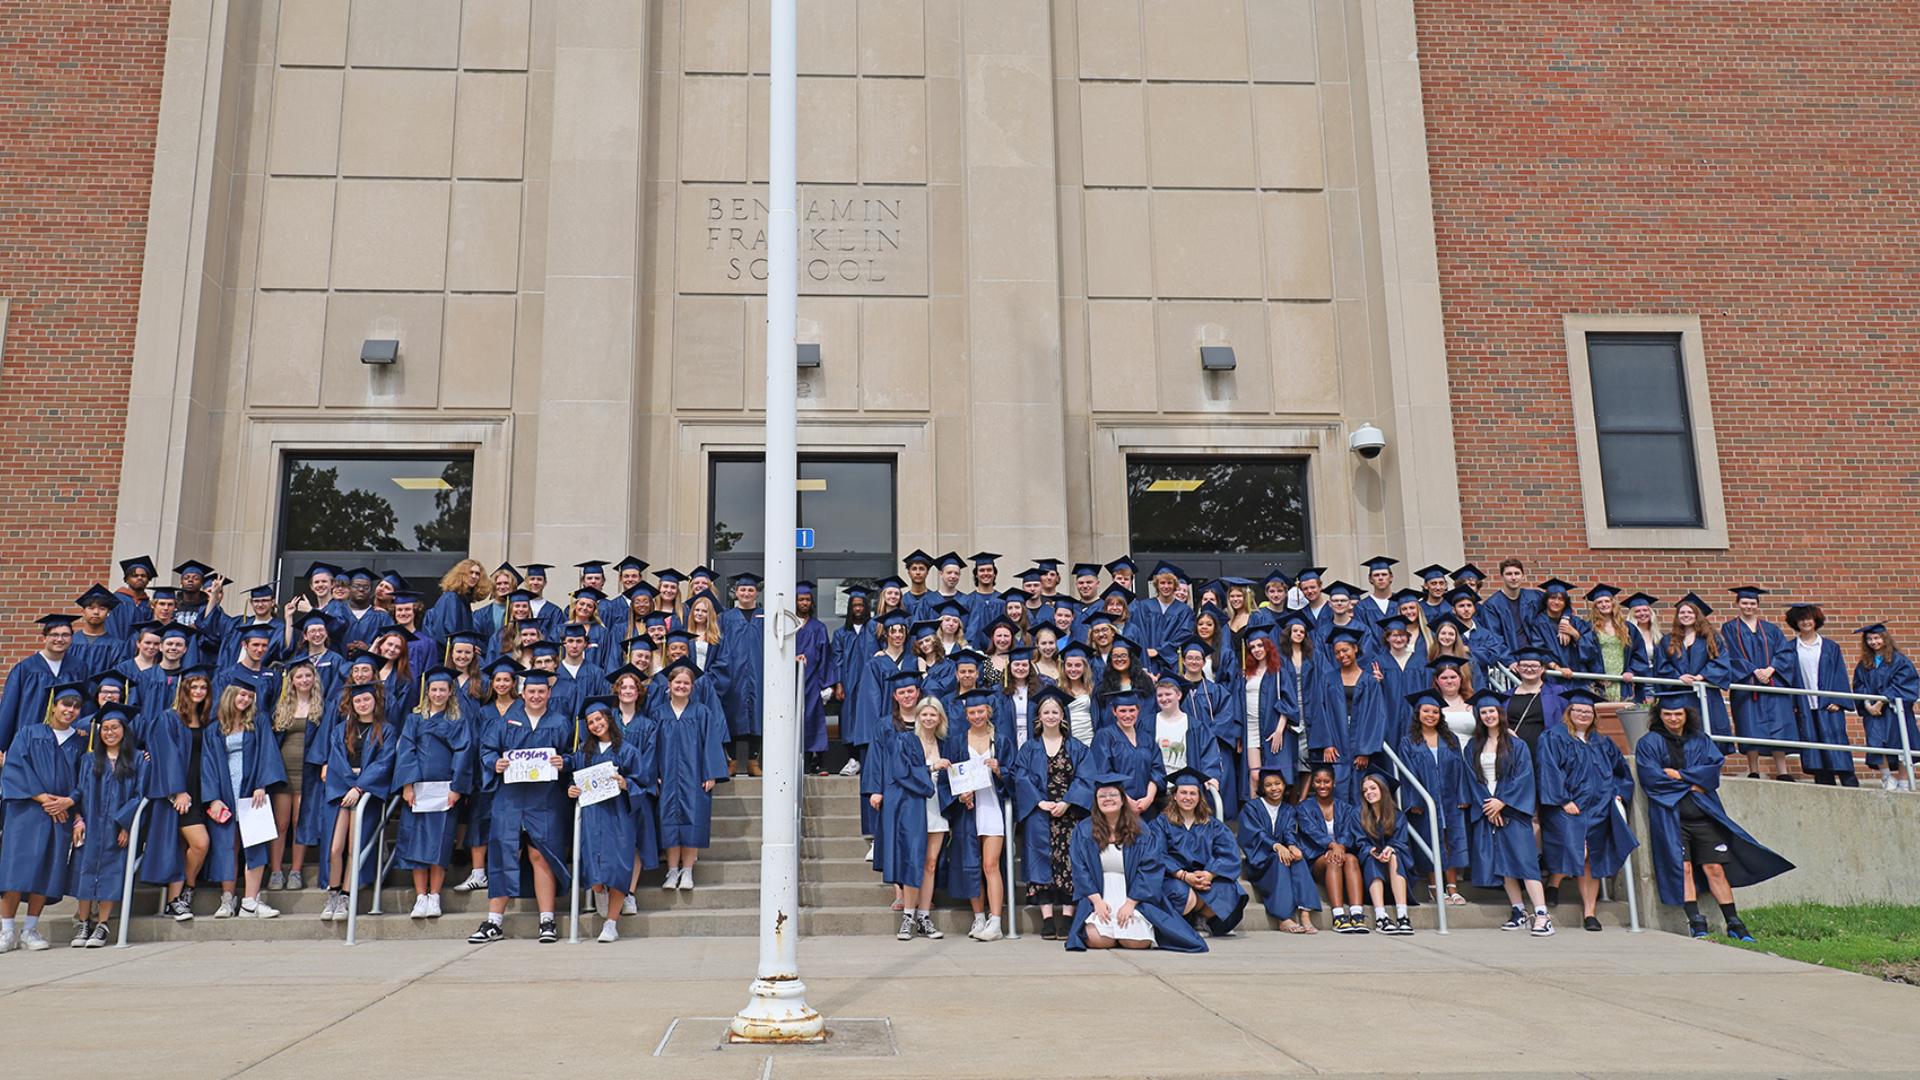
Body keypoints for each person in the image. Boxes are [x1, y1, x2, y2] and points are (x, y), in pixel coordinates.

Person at [1635, 690, 1794, 941]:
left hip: (1704, 816)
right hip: (1671, 818)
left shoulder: (1700, 740)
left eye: (1678, 714)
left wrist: (1679, 775)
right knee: (1683, 868)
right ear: (1659, 715)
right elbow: (1652, 780)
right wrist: (1692, 781)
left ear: (1687, 714)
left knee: (1715, 868)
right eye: (1668, 714)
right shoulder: (1648, 743)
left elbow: (1711, 774)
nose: (1673, 718)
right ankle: (1696, 922)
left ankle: (1734, 922)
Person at [470, 669, 570, 943]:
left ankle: (547, 921)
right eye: (531, 691)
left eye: (541, 691)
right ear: (523, 693)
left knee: (542, 856)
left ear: (549, 693)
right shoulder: (506, 721)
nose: (536, 695)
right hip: (510, 799)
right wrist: (495, 763)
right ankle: (494, 922)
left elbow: (572, 754)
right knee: (504, 854)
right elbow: (487, 750)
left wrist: (566, 762)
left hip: (546, 800)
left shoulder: (560, 722)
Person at [1064, 770, 1205, 953]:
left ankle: (1130, 928)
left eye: (1113, 794)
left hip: (1133, 895)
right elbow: (1079, 868)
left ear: (1123, 799)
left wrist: (1130, 903)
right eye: (1102, 796)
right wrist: (1097, 901)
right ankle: (1109, 931)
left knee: (1136, 943)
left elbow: (1150, 868)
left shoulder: (1141, 830)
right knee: (1097, 941)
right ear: (1096, 801)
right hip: (1099, 894)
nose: (1108, 799)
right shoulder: (1084, 830)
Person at [1537, 688, 1638, 930]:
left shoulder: (1603, 742)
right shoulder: (1554, 737)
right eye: (1578, 711)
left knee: (1591, 858)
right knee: (1576, 852)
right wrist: (1562, 800)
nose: (1583, 715)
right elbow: (1549, 770)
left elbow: (1620, 772)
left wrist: (1617, 795)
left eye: (1588, 712)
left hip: (1599, 808)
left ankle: (1590, 913)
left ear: (1594, 715)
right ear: (1568, 712)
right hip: (1567, 807)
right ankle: (1554, 880)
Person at [0, 681, 86, 953]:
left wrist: (69, 800)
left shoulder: (82, 742)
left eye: (75, 707)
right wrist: (43, 797)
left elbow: (86, 779)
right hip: (26, 812)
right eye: (65, 705)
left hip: (60, 815)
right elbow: (15, 766)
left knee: (47, 870)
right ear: (53, 706)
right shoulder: (29, 733)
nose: (70, 710)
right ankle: (7, 931)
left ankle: (30, 930)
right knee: (16, 870)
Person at [1463, 689, 1553, 936]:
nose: (1488, 715)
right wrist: (1488, 805)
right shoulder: (1473, 746)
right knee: (1502, 865)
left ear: (1500, 713)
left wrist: (1502, 801)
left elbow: (1524, 776)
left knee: (1524, 862)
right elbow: (1471, 778)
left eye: (1492, 711)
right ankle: (1518, 911)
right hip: (1488, 810)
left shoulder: (1517, 744)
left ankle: (1543, 914)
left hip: (1512, 810)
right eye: (1483, 712)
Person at [201, 677, 286, 919]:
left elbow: (267, 753)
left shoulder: (258, 722)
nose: (246, 699)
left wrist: (261, 784)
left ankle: (250, 901)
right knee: (227, 846)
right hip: (225, 792)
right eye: (241, 695)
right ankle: (227, 900)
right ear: (230, 696)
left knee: (255, 845)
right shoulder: (213, 729)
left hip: (252, 792)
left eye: (249, 696)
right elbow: (207, 765)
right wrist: (213, 798)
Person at [394, 667, 475, 920]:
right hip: (418, 790)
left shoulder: (457, 719)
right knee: (417, 843)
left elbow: (464, 752)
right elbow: (406, 750)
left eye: (443, 689)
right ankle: (420, 897)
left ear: (450, 692)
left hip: (444, 791)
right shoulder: (415, 718)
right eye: (434, 689)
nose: (438, 693)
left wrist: (456, 788)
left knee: (439, 843)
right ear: (427, 691)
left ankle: (435, 896)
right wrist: (407, 785)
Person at [568, 698, 648, 942]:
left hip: (618, 816)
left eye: (599, 719)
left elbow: (642, 784)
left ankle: (611, 924)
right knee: (593, 868)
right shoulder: (583, 752)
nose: (595, 725)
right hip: (592, 817)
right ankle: (599, 891)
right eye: (591, 722)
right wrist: (571, 789)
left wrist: (627, 784)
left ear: (608, 720)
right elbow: (576, 780)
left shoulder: (627, 750)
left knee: (618, 868)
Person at [1011, 688, 1089, 939]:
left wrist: (1068, 801)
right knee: (1040, 863)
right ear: (1039, 716)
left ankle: (1066, 918)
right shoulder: (1029, 747)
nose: (1051, 716)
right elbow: (1020, 776)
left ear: (1063, 715)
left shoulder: (1076, 747)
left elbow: (1086, 777)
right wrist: (1039, 802)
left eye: (1055, 711)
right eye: (1046, 712)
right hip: (1040, 814)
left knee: (1070, 864)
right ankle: (1047, 919)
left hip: (1069, 815)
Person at [66, 703, 147, 947]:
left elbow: (139, 795)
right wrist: (77, 818)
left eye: (115, 727)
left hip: (116, 828)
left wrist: (125, 826)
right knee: (85, 871)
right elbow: (79, 791)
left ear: (124, 730)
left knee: (112, 873)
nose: (109, 732)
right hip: (90, 825)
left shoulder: (138, 760)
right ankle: (83, 923)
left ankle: (102, 925)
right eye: (105, 728)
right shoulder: (89, 759)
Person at [650, 658, 729, 892]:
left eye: (686, 683)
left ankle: (688, 871)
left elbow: (711, 745)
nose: (682, 686)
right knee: (669, 822)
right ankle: (672, 870)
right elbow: (651, 747)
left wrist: (711, 773)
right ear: (669, 684)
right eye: (678, 682)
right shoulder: (658, 713)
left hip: (694, 777)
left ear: (692, 687)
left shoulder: (702, 713)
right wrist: (653, 772)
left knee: (692, 822)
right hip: (667, 777)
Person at [320, 683, 398, 922]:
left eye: (366, 699)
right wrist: (349, 786)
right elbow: (336, 760)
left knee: (355, 847)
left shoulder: (386, 730)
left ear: (375, 701)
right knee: (335, 848)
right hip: (342, 790)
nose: (362, 704)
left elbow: (384, 763)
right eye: (358, 701)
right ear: (351, 704)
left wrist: (360, 786)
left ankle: (345, 895)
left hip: (365, 792)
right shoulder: (341, 730)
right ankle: (332, 892)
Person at [943, 688, 1014, 941]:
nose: (976, 716)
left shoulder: (1002, 740)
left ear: (988, 711)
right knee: (972, 865)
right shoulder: (957, 741)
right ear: (966, 714)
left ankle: (995, 922)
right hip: (968, 811)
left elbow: (1014, 774)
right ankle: (979, 919)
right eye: (972, 712)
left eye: (980, 711)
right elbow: (949, 778)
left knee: (990, 864)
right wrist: (959, 795)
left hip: (993, 806)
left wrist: (1000, 770)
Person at [142, 669, 214, 920]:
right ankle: (184, 892)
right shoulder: (169, 718)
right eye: (193, 687)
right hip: (180, 795)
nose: (198, 692)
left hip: (200, 790)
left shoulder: (204, 720)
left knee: (184, 846)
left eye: (202, 688)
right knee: (200, 842)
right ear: (183, 690)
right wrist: (178, 791)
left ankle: (176, 898)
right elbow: (167, 754)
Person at [1395, 690, 1470, 906]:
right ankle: (1434, 888)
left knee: (1451, 841)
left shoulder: (1451, 739)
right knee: (1430, 840)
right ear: (1418, 714)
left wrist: (1463, 795)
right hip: (1424, 802)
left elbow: (1461, 769)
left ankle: (1453, 888)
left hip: (1450, 798)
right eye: (1426, 711)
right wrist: (1413, 801)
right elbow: (1407, 774)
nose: (1431, 715)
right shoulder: (1408, 742)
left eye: (1435, 712)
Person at [1154, 768, 1248, 937]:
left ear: (1199, 797)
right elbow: (1156, 854)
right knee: (1181, 893)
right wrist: (1183, 875)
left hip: (1204, 879)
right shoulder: (1161, 823)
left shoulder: (1213, 826)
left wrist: (1209, 874)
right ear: (1174, 795)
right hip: (1174, 877)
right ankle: (1184, 920)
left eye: (1193, 793)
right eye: (1183, 792)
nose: (1188, 797)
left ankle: (1201, 918)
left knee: (1230, 889)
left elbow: (1228, 854)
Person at [1722, 586, 1797, 780]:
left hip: (1772, 684)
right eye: (1745, 603)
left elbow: (1785, 652)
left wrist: (1771, 669)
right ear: (1737, 604)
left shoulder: (1771, 629)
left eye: (1752, 603)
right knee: (1749, 726)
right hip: (1747, 685)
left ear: (1758, 605)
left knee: (1777, 726)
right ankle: (1753, 771)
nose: (1749, 606)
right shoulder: (1730, 628)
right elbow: (1730, 654)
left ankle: (1783, 772)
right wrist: (1753, 670)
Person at [1234, 767, 1319, 933]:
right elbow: (1253, 834)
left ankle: (1305, 913)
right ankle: (1284, 918)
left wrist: (1292, 845)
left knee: (1298, 859)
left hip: (1281, 858)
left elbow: (1288, 830)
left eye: (1278, 783)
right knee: (1280, 860)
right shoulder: (1251, 808)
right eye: (1268, 785)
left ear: (1284, 785)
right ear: (1262, 788)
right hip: (1259, 863)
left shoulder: (1288, 809)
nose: (1274, 788)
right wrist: (1276, 846)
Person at [267, 657, 324, 890]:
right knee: (280, 824)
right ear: (291, 681)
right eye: (299, 676)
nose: (304, 680)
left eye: (308, 676)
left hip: (307, 772)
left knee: (300, 822)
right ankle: (277, 871)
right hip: (283, 771)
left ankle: (297, 872)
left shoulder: (321, 707)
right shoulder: (282, 706)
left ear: (314, 679)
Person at [1785, 604, 1855, 787]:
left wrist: (1838, 701)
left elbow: (1840, 674)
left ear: (1816, 621)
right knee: (1814, 747)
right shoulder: (1790, 648)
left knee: (1836, 745)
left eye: (1809, 618)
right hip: (1805, 706)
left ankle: (1850, 785)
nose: (1805, 622)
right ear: (1795, 623)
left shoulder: (1830, 647)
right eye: (1801, 619)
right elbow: (1787, 677)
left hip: (1829, 706)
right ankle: (1825, 787)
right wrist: (1793, 703)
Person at [1294, 764, 1365, 933]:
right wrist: (1332, 845)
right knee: (1333, 860)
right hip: (1316, 859)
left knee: (1352, 859)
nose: (1322, 785)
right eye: (1318, 782)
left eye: (1326, 781)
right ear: (1312, 784)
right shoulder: (1304, 808)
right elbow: (1311, 832)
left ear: (1334, 783)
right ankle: (1339, 916)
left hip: (1342, 855)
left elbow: (1349, 832)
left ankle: (1356, 914)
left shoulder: (1345, 808)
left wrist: (1340, 846)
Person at [1655, 593, 1734, 739]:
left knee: (1708, 729)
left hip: (1705, 693)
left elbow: (1721, 661)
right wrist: (1678, 676)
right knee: (1684, 733)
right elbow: (1661, 665)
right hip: (1679, 693)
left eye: (1690, 612)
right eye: (1682, 612)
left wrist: (1701, 676)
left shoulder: (1710, 638)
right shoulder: (1667, 640)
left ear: (1697, 615)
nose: (1686, 615)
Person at [0, 613, 77, 760]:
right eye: (54, 634)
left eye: (65, 635)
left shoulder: (78, 667)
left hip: (65, 742)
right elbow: (9, 706)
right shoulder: (25, 668)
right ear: (44, 638)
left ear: (71, 638)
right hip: (29, 740)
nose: (60, 639)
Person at [1853, 624, 1920, 790]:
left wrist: (1882, 701)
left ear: (1885, 638)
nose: (1873, 642)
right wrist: (1867, 704)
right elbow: (1859, 685)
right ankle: (1887, 778)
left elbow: (1905, 683)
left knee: (1902, 743)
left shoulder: (1899, 660)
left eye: (1876, 638)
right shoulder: (1864, 664)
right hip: (1874, 713)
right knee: (1876, 743)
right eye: (1869, 639)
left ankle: (1904, 782)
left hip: (1896, 711)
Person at [1356, 773, 1415, 935]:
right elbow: (1359, 841)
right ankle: (1380, 916)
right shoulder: (1359, 815)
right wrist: (1372, 851)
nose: (1369, 793)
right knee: (1371, 859)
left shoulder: (1398, 816)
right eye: (1365, 790)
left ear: (1383, 789)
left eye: (1373, 788)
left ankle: (1403, 916)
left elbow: (1401, 842)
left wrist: (1390, 848)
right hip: (1371, 872)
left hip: (1394, 869)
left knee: (1395, 855)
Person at [1088, 691, 1164, 817]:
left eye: (1132, 710)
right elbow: (1104, 773)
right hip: (1117, 808)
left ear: (1138, 711)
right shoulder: (1105, 736)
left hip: (1146, 807)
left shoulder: (1146, 738)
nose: (1128, 715)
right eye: (1123, 711)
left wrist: (1149, 798)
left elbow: (1157, 771)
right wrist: (1127, 801)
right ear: (1114, 711)